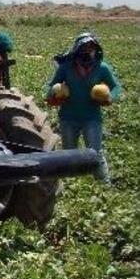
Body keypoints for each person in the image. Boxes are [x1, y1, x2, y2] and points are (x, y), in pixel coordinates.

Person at [45, 32, 122, 183]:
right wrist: (53, 97)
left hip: (92, 118)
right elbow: (50, 88)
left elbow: (115, 87)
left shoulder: (102, 68)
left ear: (96, 50)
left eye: (91, 48)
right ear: (76, 49)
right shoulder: (66, 68)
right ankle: (71, 183)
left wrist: (109, 98)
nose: (87, 51)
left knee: (95, 152)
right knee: (69, 154)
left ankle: (103, 183)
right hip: (68, 118)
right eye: (84, 48)